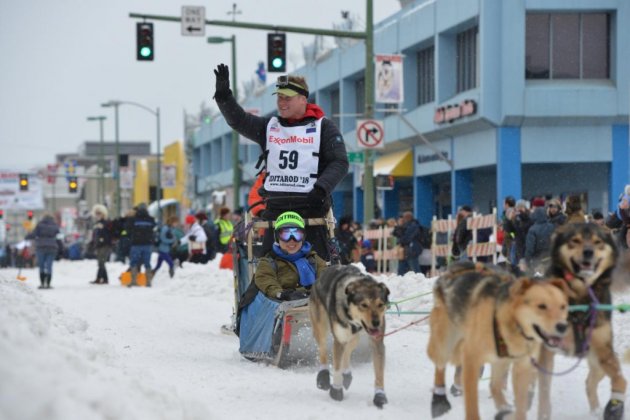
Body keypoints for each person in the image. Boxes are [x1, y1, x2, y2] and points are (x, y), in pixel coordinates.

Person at [213, 64, 349, 261]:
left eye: (288, 98)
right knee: (268, 274)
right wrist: (224, 96)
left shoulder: (323, 127)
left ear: (303, 99)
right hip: (276, 212)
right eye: (279, 97)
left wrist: (320, 189)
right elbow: (239, 121)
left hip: (311, 211)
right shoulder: (270, 127)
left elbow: (340, 162)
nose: (282, 103)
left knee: (316, 274)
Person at [254, 211, 327, 300]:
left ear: (303, 237)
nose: (291, 240)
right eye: (285, 234)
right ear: (277, 238)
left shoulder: (314, 260)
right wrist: (283, 294)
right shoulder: (268, 263)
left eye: (297, 234)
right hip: (285, 308)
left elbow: (326, 280)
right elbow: (267, 282)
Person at [25, 214, 60, 289]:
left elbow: (34, 234)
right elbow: (58, 234)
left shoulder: (39, 225)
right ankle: (48, 284)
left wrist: (27, 237)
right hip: (52, 247)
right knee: (49, 266)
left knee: (41, 266)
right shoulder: (54, 225)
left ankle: (42, 284)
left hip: (41, 247)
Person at [125, 203, 156, 287]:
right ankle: (148, 282)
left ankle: (133, 281)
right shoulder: (151, 219)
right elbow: (154, 228)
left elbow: (127, 229)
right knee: (147, 262)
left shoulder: (133, 219)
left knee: (134, 262)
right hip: (147, 244)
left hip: (136, 243)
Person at [90, 204, 114, 285]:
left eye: (99, 213)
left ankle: (100, 278)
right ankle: (103, 278)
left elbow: (109, 234)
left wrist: (104, 238)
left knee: (101, 262)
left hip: (105, 245)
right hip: (98, 245)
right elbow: (95, 235)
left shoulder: (107, 223)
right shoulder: (96, 224)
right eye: (96, 213)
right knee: (100, 262)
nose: (97, 215)